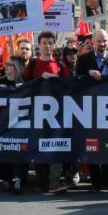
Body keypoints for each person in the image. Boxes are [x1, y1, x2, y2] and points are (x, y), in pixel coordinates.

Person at [76, 29, 108, 192]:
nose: (102, 44)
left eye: (104, 41)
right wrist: (87, 74)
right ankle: (95, 182)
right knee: (92, 144)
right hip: (90, 108)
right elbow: (76, 81)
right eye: (99, 41)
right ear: (93, 42)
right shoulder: (83, 59)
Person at [26, 30, 72, 193]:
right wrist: (40, 80)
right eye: (44, 43)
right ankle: (42, 180)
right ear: (39, 45)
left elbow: (68, 86)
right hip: (37, 113)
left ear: (54, 45)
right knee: (39, 146)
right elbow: (26, 86)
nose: (47, 46)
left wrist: (54, 79)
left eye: (50, 43)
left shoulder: (60, 66)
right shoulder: (32, 64)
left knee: (56, 146)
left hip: (57, 114)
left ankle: (54, 182)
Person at [0, 59, 27, 195]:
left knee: (19, 149)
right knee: (4, 148)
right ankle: (5, 178)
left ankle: (18, 178)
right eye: (5, 65)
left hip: (19, 122)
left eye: (9, 65)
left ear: (16, 67)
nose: (5, 67)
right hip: (3, 122)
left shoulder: (22, 82)